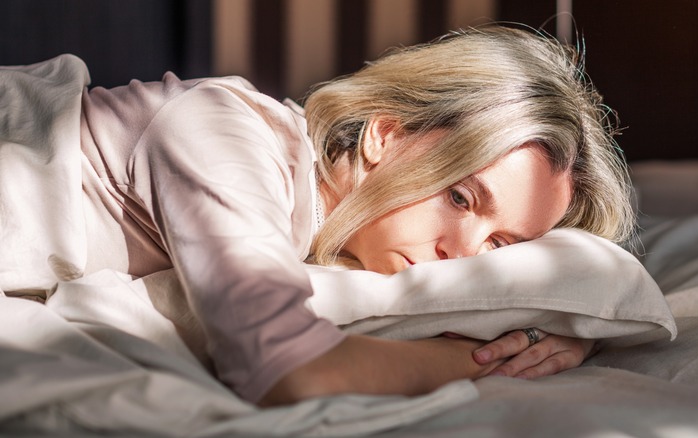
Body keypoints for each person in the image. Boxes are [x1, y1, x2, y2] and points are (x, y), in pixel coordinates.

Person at [0, 25, 634, 407]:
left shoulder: (320, 233)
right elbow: (290, 373)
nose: (463, 256)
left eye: (501, 246)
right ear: (385, 135)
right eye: (460, 197)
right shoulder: (223, 133)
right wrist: (504, 354)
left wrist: (558, 326)